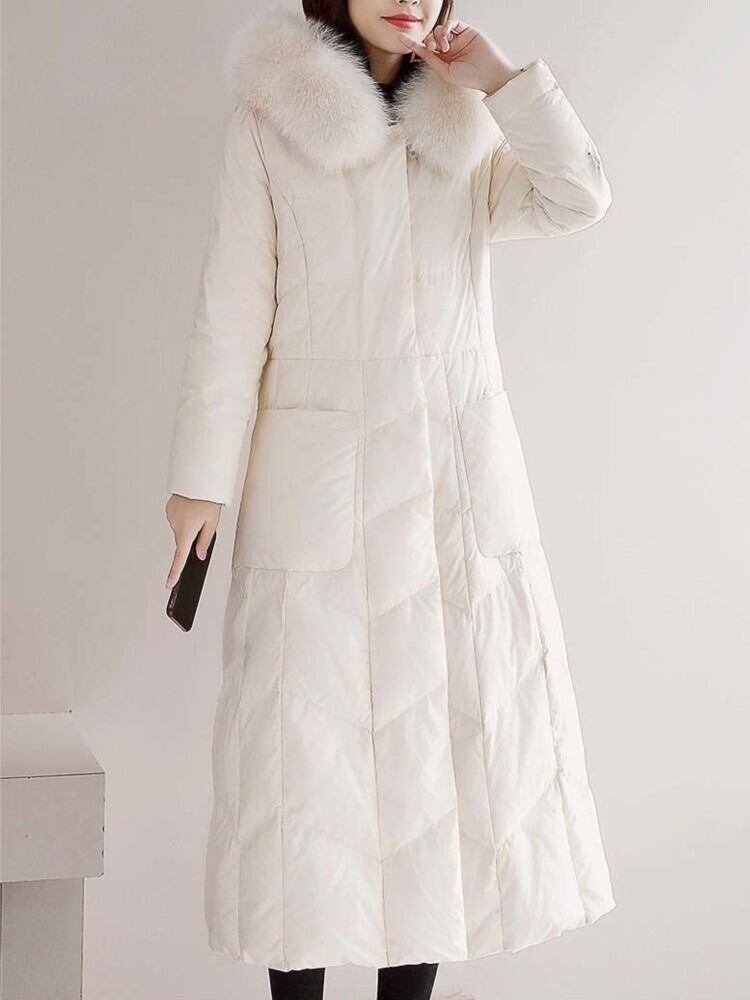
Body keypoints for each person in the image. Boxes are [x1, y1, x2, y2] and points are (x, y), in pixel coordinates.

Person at [164, 2, 616, 998]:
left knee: (433, 780)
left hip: (452, 489)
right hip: (317, 484)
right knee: (300, 788)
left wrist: (502, 83)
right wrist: (201, 481)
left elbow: (578, 195)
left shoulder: (469, 124)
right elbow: (233, 307)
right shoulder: (268, 123)